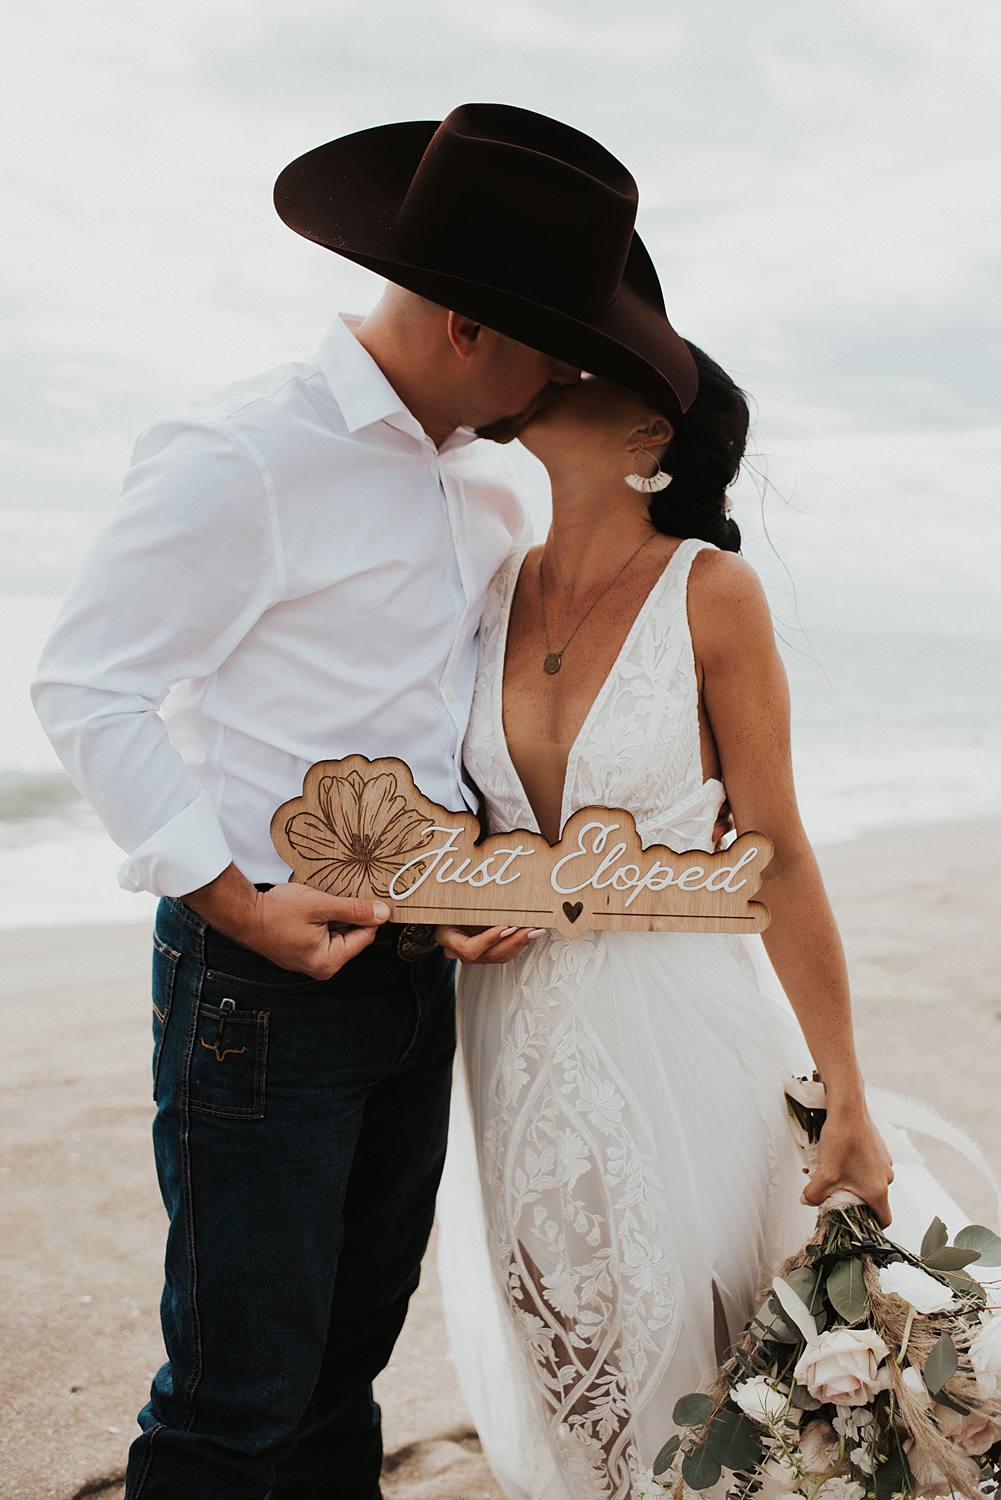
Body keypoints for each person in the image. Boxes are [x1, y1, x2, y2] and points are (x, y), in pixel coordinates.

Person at [28, 103, 716, 1499]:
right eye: (552, 344)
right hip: (258, 988)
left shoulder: (480, 495)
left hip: (412, 981)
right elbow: (87, 688)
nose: (563, 381)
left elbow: (438, 732)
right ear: (470, 326)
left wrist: (476, 884)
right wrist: (239, 904)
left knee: (347, 1367)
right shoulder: (245, 453)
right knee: (239, 1395)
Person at [431, 346, 991, 1499]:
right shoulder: (490, 583)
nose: (554, 374)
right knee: (565, 1346)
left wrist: (846, 1092)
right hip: (506, 1033)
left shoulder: (709, 592)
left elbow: (774, 853)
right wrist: (452, 908)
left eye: (590, 378)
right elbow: (459, 824)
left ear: (652, 441)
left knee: (701, 1368)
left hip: (672, 1029)